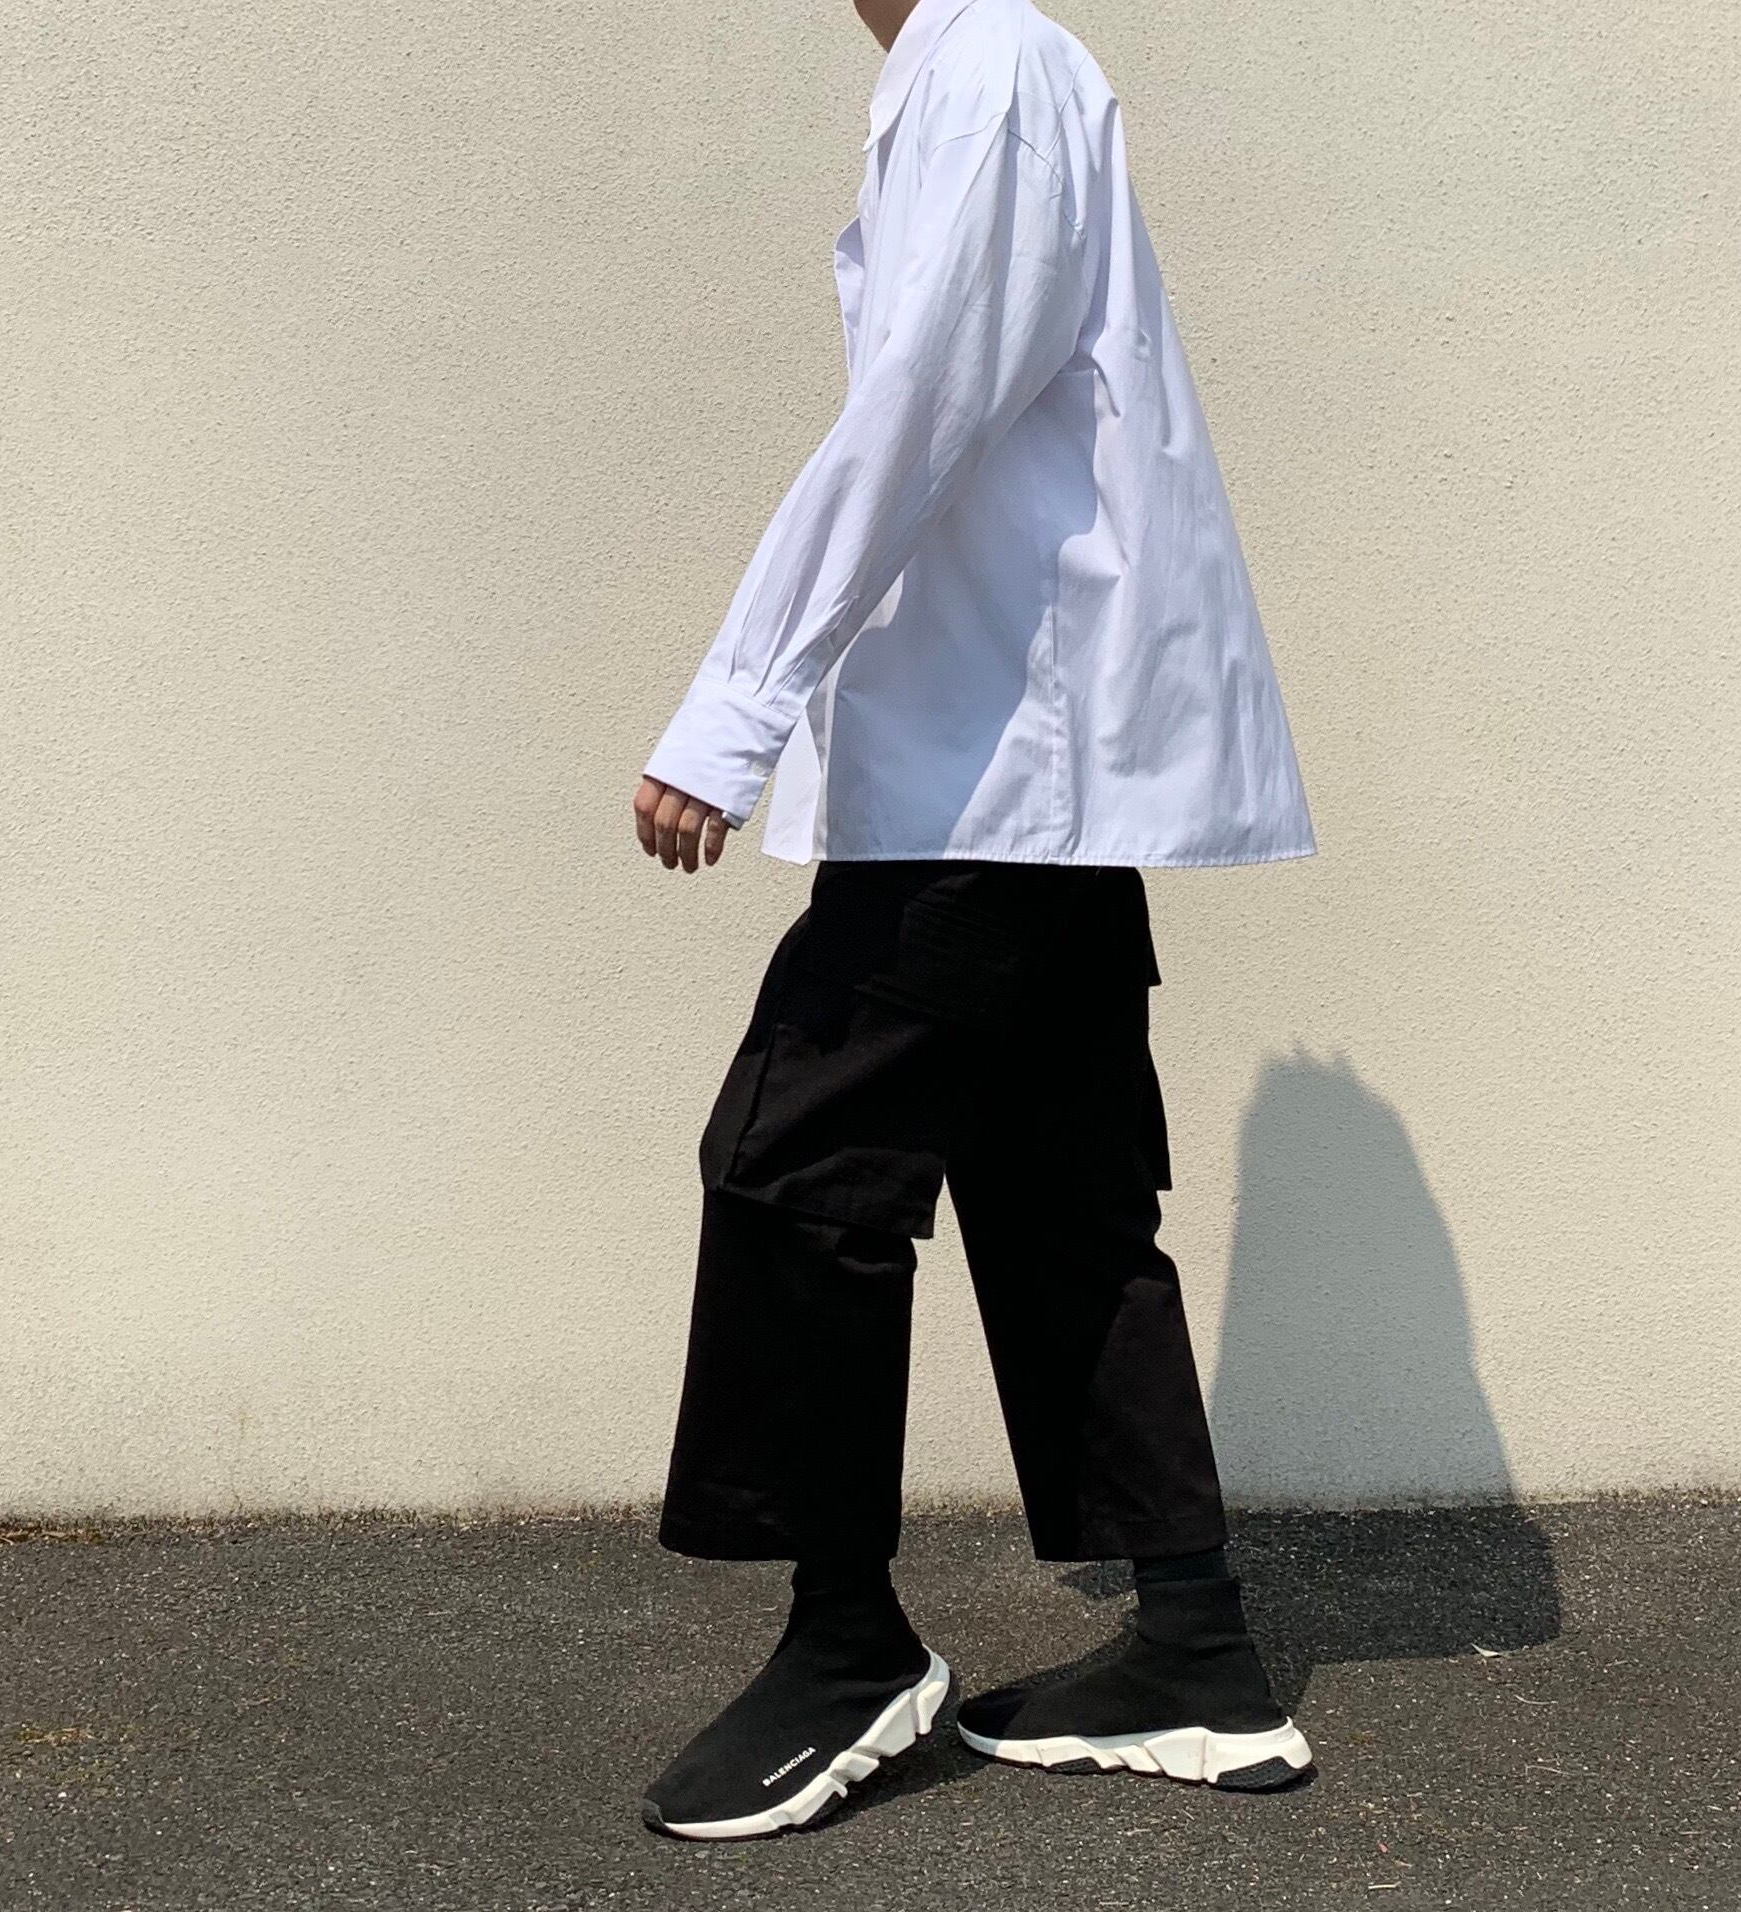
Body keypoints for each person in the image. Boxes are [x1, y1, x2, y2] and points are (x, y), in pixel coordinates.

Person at [630, 0, 1316, 1841]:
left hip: (996, 769)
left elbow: (920, 406)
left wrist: (735, 707)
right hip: (1029, 770)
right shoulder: (981, 68)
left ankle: (845, 1646)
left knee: (793, 1167)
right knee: (1063, 1198)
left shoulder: (989, 67)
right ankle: (1194, 1655)